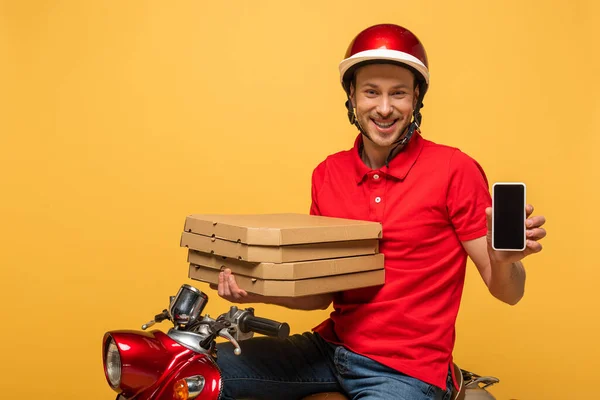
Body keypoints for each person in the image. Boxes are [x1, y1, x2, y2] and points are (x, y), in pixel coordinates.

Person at [212, 23, 547, 400]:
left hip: (406, 370)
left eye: (398, 94)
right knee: (195, 372)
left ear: (416, 97)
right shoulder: (328, 173)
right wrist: (253, 290)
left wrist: (504, 261)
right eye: (372, 92)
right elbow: (320, 294)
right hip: (328, 350)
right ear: (352, 96)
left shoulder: (455, 169)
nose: (384, 108)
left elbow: (510, 293)